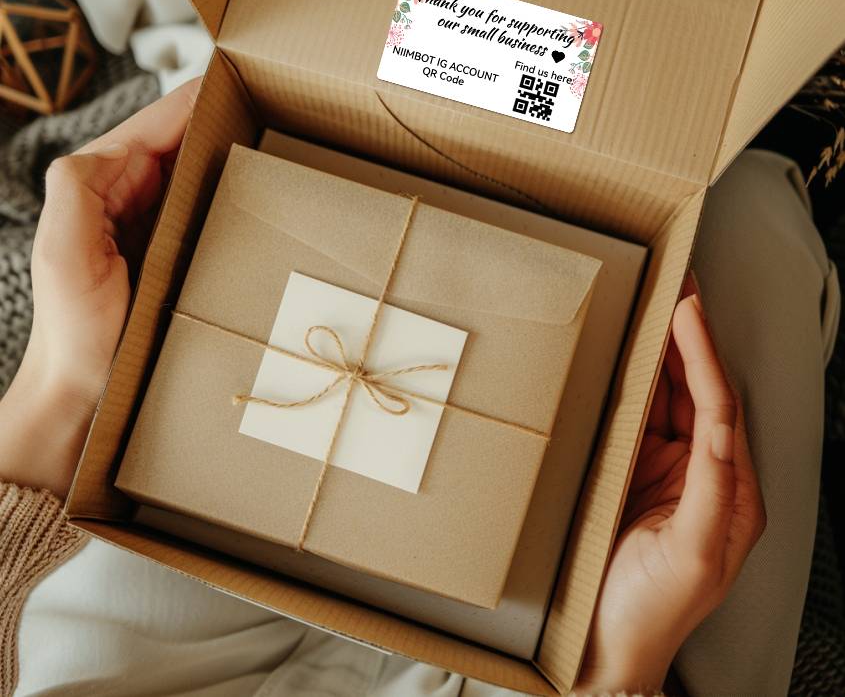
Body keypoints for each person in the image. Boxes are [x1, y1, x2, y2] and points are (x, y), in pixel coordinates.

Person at [0, 79, 835, 697]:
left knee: (278, 163)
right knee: (744, 244)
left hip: (105, 655)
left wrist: (59, 392)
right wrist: (614, 665)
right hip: (536, 634)